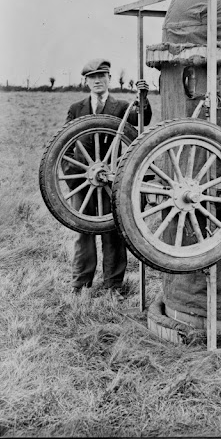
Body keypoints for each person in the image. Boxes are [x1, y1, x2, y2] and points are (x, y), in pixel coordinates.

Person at [66, 58, 152, 296]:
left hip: (112, 178)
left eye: (102, 76)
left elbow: (141, 120)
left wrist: (142, 99)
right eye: (92, 77)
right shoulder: (77, 108)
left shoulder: (121, 106)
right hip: (82, 180)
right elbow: (64, 146)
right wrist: (71, 175)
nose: (97, 81)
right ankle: (80, 283)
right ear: (86, 82)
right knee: (83, 231)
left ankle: (113, 285)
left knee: (112, 230)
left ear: (109, 79)